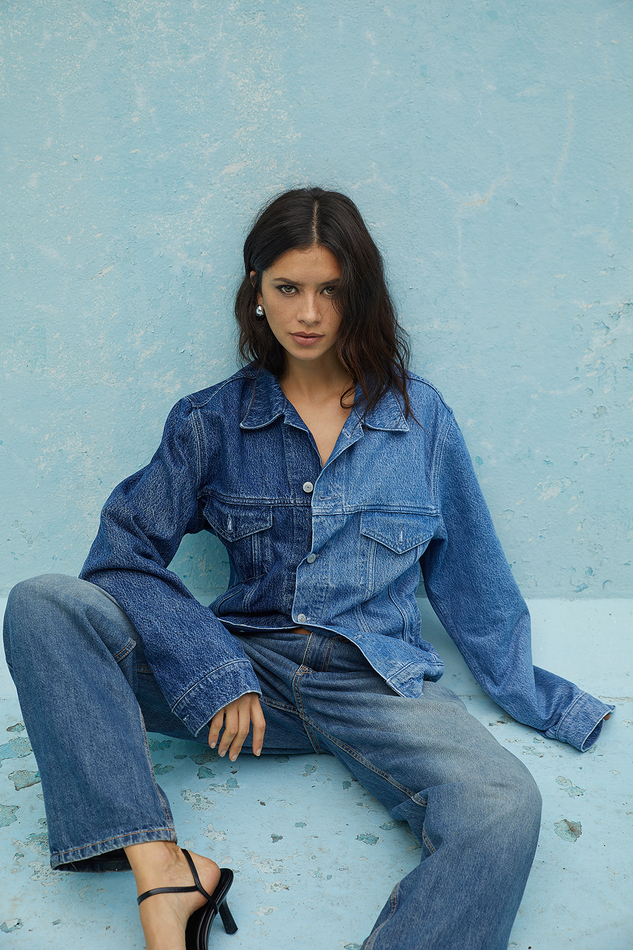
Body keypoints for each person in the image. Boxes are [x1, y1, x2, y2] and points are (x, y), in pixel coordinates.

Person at [4, 187, 613, 950]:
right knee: (42, 602)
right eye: (288, 288)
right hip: (243, 679)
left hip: (376, 682)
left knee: (504, 806)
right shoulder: (209, 420)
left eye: (331, 290)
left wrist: (548, 705)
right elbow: (120, 556)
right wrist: (214, 668)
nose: (309, 313)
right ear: (256, 292)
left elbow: (473, 582)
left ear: (360, 295)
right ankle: (166, 872)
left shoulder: (420, 421)